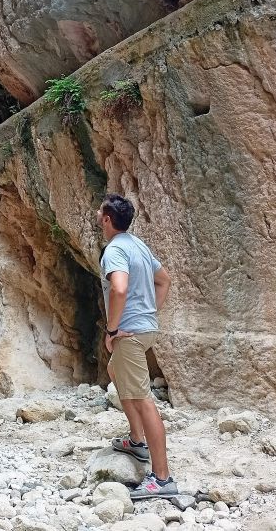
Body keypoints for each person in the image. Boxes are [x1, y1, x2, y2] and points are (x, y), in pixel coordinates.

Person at [96, 193, 177, 499]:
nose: (97, 217)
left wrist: (113, 329)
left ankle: (162, 479)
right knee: (115, 371)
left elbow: (119, 288)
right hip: (146, 328)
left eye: (99, 214)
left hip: (128, 333)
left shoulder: (114, 250)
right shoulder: (138, 245)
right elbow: (164, 280)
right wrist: (148, 314)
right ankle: (136, 440)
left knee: (143, 399)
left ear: (107, 219)